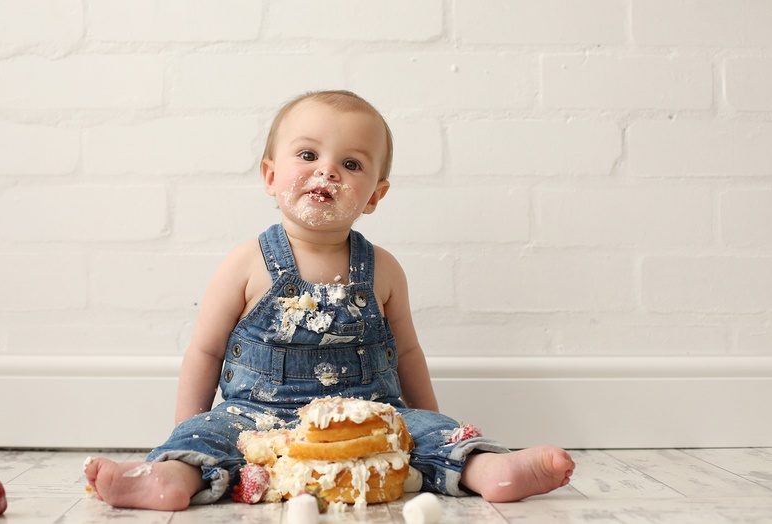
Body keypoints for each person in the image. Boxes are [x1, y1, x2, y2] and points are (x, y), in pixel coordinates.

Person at [85, 90, 575, 510]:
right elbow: (206, 351)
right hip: (255, 418)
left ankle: (488, 469)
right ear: (269, 175)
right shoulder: (247, 262)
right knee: (208, 438)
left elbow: (406, 353)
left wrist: (435, 422)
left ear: (375, 196)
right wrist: (185, 431)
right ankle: (171, 476)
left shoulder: (383, 269)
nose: (327, 172)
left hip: (368, 415)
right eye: (307, 155)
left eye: (351, 163)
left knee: (428, 432)